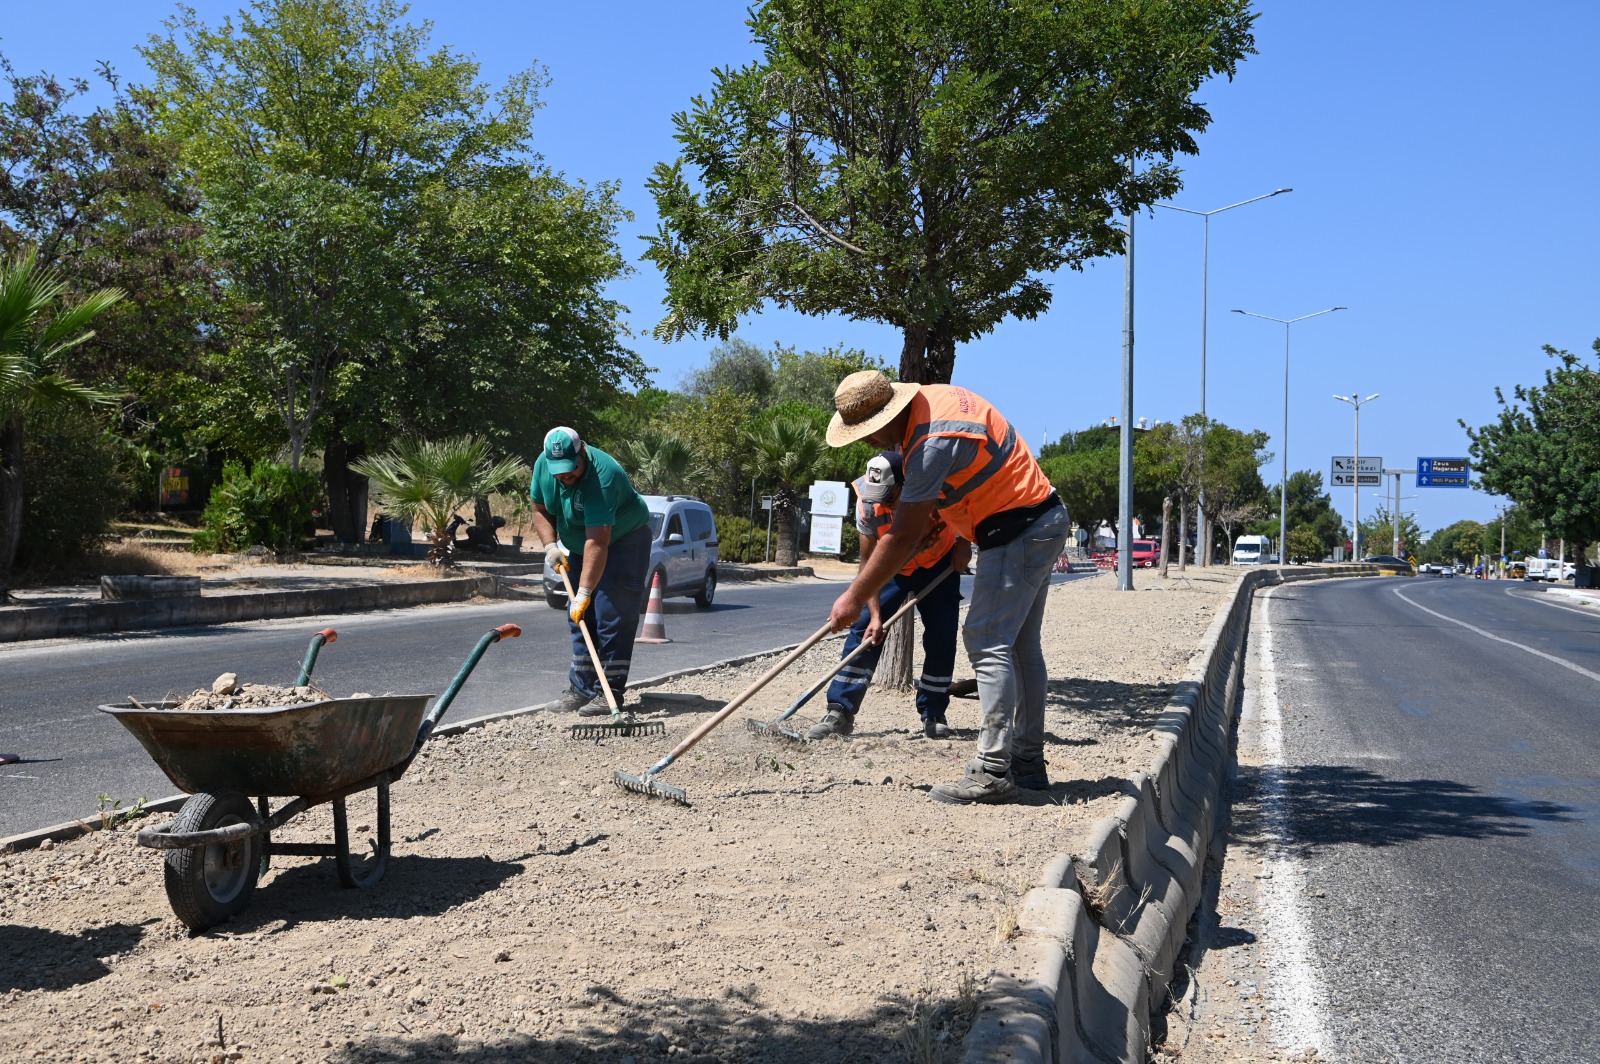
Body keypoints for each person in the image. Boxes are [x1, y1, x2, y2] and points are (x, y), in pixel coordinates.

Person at [825, 371, 1069, 805]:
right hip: (1038, 519)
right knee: (1019, 647)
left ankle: (994, 770)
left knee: (987, 639)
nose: (867, 443)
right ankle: (1028, 764)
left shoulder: (931, 444)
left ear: (886, 416)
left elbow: (901, 536)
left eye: (865, 433)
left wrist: (854, 598)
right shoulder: (932, 403)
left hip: (1017, 529)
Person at [807, 451, 969, 742]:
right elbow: (868, 563)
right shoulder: (867, 504)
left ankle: (934, 713)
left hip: (939, 563)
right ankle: (839, 710)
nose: (880, 502)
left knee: (942, 636)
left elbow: (967, 508)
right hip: (890, 570)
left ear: (906, 484)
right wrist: (876, 616)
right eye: (876, 496)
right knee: (864, 630)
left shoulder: (935, 487)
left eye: (889, 496)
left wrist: (963, 542)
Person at [527, 427, 653, 716]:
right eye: (558, 471)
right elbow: (539, 508)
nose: (564, 477)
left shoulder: (602, 476)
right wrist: (550, 546)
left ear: (582, 452)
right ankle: (581, 690)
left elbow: (598, 540)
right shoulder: (543, 465)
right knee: (580, 618)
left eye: (571, 470)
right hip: (582, 545)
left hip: (624, 541)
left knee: (612, 616)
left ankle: (610, 693)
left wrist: (584, 592)